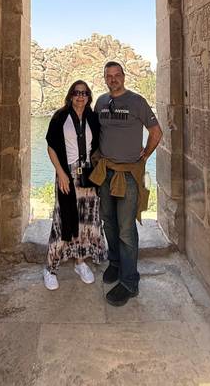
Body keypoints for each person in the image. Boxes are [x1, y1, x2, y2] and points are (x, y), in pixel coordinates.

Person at [90, 61, 163, 306]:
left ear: (123, 76)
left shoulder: (137, 102)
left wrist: (144, 156)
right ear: (104, 78)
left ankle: (130, 282)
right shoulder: (100, 102)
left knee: (126, 229)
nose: (113, 79)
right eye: (108, 76)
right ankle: (115, 263)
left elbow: (156, 132)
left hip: (128, 176)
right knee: (108, 222)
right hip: (105, 173)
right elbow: (96, 133)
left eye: (117, 75)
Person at [43, 80, 107, 290]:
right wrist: (60, 173)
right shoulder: (60, 117)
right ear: (71, 95)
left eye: (85, 93)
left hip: (88, 175)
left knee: (86, 222)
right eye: (77, 92)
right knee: (63, 220)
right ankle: (50, 268)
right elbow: (51, 147)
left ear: (89, 96)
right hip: (67, 175)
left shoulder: (93, 118)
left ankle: (80, 262)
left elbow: (101, 143)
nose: (80, 96)